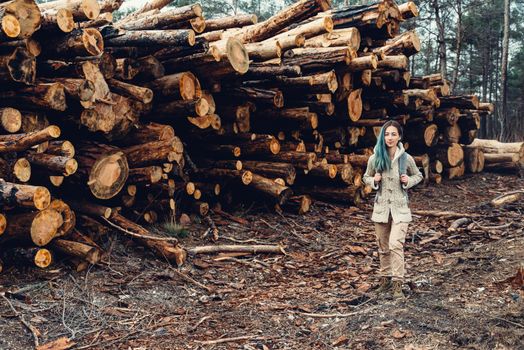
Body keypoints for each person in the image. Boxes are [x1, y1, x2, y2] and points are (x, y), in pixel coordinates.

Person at [363, 120, 423, 298]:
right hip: (381, 208)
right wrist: (374, 180)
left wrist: (408, 181)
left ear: (399, 137)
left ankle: (398, 284)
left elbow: (418, 175)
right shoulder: (375, 158)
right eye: (387, 134)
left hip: (400, 209)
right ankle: (385, 280)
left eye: (393, 134)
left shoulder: (406, 158)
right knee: (383, 246)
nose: (389, 138)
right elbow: (365, 177)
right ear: (383, 136)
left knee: (395, 244)